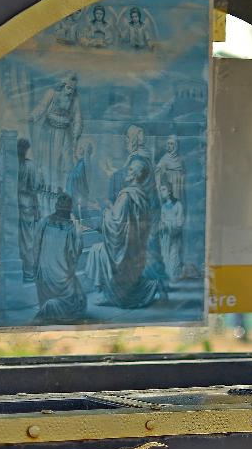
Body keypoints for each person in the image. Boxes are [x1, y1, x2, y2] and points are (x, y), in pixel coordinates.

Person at [83, 154, 162, 310]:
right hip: (135, 250)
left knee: (96, 251)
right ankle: (110, 293)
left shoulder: (127, 195)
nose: (127, 171)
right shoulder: (142, 196)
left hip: (123, 252)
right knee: (99, 250)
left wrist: (103, 210)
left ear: (136, 175)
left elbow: (115, 224)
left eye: (131, 169)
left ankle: (108, 294)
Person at [28, 72, 82, 207]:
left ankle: (61, 197)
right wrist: (32, 117)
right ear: (63, 85)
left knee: (64, 164)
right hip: (49, 133)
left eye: (73, 89)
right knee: (47, 162)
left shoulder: (74, 99)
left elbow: (77, 118)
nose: (70, 92)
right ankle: (46, 197)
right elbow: (41, 107)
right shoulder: (52, 93)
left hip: (65, 135)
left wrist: (75, 135)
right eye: (68, 88)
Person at [33, 190, 87, 322]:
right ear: (69, 210)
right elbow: (75, 252)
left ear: (56, 207)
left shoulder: (45, 222)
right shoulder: (71, 228)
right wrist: (79, 234)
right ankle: (56, 311)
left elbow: (36, 246)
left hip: (45, 271)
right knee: (77, 301)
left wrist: (37, 265)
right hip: (62, 274)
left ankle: (49, 310)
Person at [15, 138, 40, 282]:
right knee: (27, 241)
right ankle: (29, 272)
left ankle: (28, 272)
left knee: (25, 241)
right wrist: (37, 209)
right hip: (26, 205)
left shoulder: (15, 164)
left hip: (20, 205)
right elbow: (34, 188)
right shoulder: (29, 165)